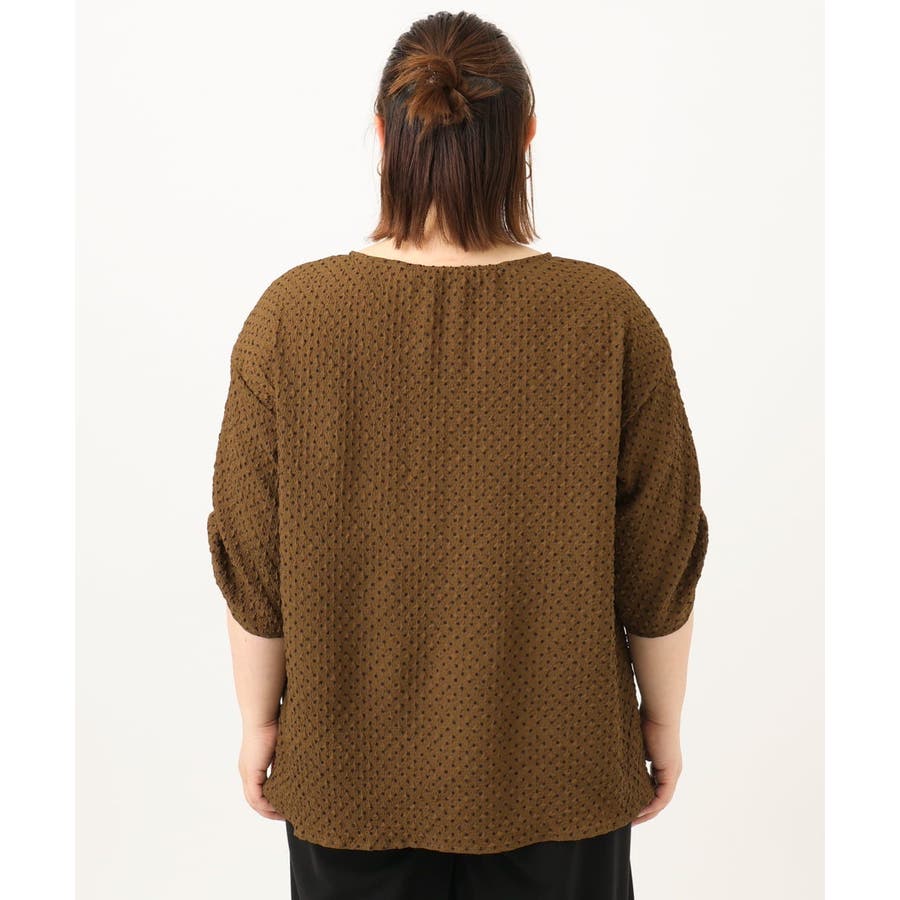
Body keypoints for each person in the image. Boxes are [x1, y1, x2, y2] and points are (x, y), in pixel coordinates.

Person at [206, 10, 709, 900]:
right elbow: (660, 561)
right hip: (562, 777)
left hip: (348, 776)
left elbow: (253, 559)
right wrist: (661, 723)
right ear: (527, 136)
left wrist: (257, 723)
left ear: (381, 135)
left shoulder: (293, 319)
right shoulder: (608, 318)